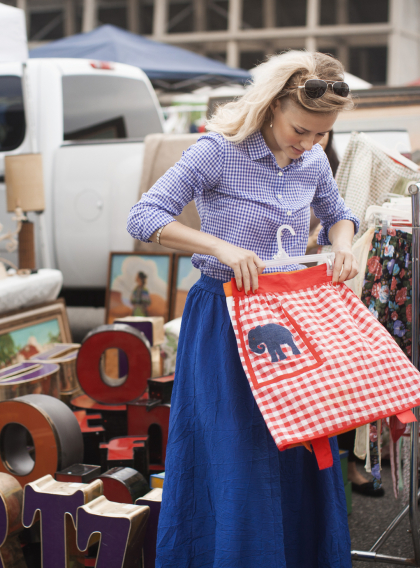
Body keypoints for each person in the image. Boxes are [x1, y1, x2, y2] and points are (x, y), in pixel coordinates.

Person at [127, 50, 360, 568]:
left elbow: (340, 214)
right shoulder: (218, 151)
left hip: (291, 316)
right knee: (236, 448)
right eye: (301, 129)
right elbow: (144, 216)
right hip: (225, 318)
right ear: (273, 106)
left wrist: (342, 243)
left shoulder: (315, 159)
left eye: (321, 135)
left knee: (297, 443)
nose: (309, 143)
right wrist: (218, 247)